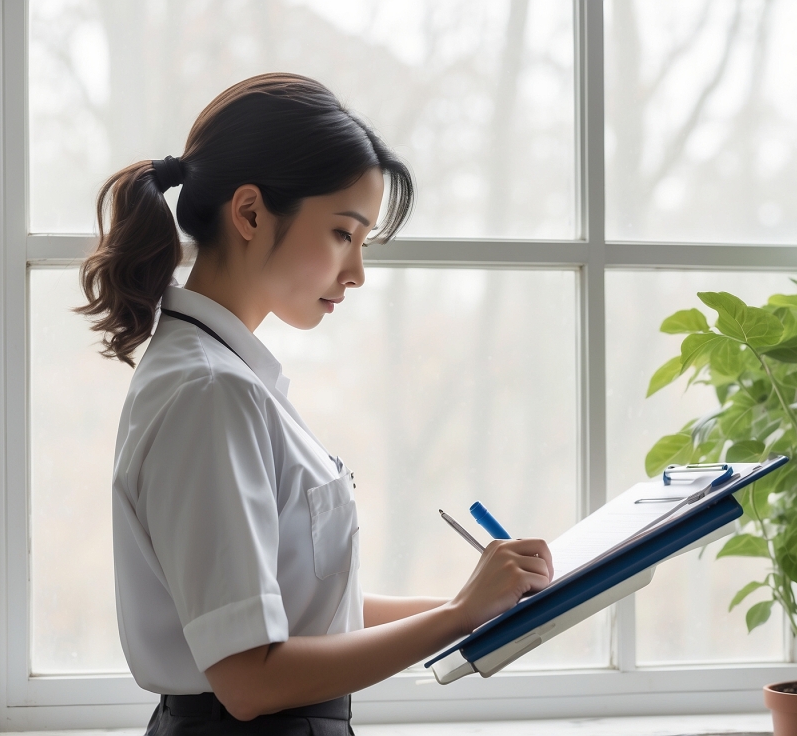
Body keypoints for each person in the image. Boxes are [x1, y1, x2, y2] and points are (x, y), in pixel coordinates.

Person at [78, 73, 553, 735]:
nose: (357, 271)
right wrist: (455, 615)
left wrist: (476, 604)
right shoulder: (211, 394)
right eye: (342, 233)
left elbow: (303, 613)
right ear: (249, 214)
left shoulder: (230, 381)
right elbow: (248, 679)